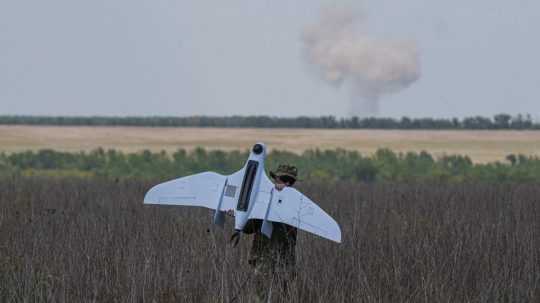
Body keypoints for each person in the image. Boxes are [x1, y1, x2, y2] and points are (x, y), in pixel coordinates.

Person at [228, 164, 299, 302]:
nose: (276, 183)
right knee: (260, 298)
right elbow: (249, 228)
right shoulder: (265, 200)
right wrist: (239, 218)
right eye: (276, 180)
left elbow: (289, 235)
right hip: (262, 259)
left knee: (283, 298)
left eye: (280, 180)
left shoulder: (295, 204)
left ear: (288, 183)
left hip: (283, 263)